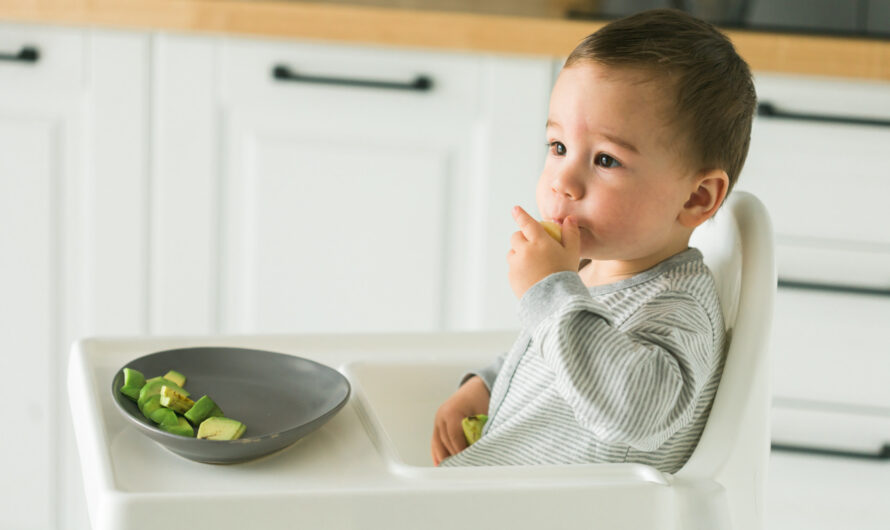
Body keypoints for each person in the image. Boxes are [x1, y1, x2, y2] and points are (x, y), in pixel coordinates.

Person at [430, 8, 756, 473]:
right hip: (496, 491)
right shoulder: (588, 272)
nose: (563, 181)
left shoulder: (679, 311)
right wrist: (483, 386)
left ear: (696, 197)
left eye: (605, 160)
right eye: (558, 147)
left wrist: (549, 292)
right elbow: (550, 359)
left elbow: (634, 412)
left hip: (561, 508)